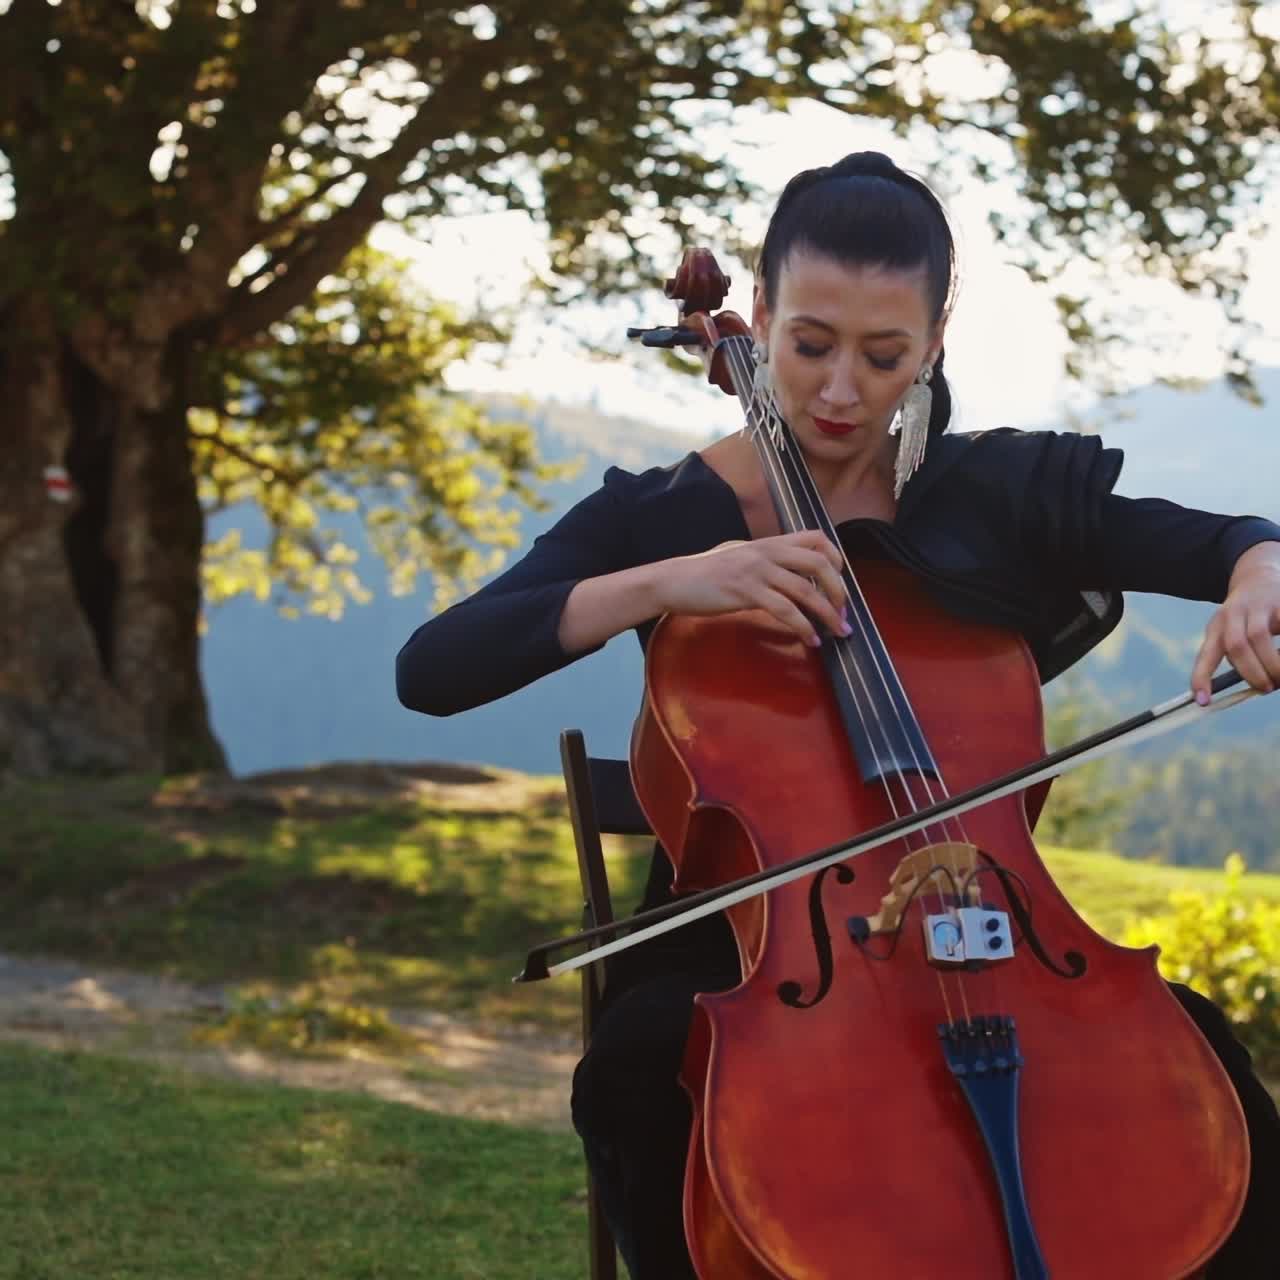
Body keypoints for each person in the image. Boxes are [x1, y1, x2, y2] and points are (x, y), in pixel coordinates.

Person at [396, 151, 1280, 1279]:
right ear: (757, 315)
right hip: (748, 961)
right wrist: (672, 581)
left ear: (933, 344)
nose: (837, 390)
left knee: (1192, 1055)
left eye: (883, 356)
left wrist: (1256, 570)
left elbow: (1222, 539)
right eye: (809, 343)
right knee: (636, 1059)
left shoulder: (993, 495)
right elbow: (433, 666)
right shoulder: (664, 513)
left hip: (996, 934)